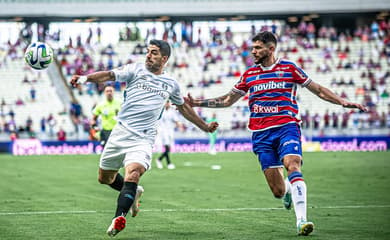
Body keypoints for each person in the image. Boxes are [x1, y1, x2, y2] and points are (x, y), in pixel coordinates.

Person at [185, 31, 367, 236]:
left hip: (287, 126)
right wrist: (197, 103)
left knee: (292, 164)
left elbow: (318, 89)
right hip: (261, 134)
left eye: (257, 48)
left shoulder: (289, 68)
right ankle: (289, 190)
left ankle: (302, 221)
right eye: (252, 48)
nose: (253, 51)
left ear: (271, 49)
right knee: (278, 191)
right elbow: (228, 100)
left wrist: (342, 101)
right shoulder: (249, 74)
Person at [70, 39, 218, 237]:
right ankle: (135, 192)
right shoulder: (135, 70)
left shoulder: (171, 84)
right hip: (120, 133)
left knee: (133, 173)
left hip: (143, 139)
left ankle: (118, 218)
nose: (148, 55)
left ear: (164, 58)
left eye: (154, 52)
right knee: (104, 178)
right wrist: (84, 78)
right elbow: (109, 75)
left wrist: (205, 127)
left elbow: (184, 108)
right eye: (148, 51)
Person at [155, 101, 181, 169]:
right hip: (163, 131)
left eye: (168, 103)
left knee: (168, 148)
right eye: (166, 103)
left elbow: (176, 120)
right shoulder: (160, 111)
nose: (167, 104)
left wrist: (180, 126)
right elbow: (157, 121)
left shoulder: (172, 112)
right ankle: (168, 163)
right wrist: (156, 129)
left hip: (170, 131)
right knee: (167, 147)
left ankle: (159, 160)